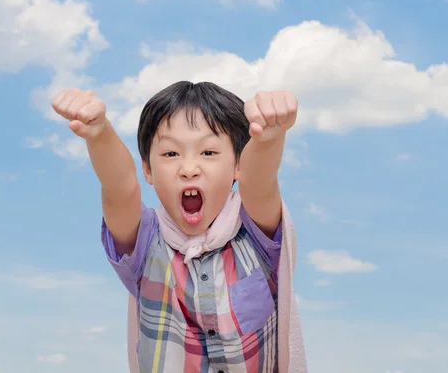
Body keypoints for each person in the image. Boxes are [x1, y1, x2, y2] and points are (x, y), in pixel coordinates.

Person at [52, 81, 307, 373]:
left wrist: (268, 139)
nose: (189, 168)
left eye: (208, 152)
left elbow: (258, 184)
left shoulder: (256, 231)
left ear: (238, 164)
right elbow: (121, 189)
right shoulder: (145, 242)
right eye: (171, 154)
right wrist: (99, 134)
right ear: (147, 169)